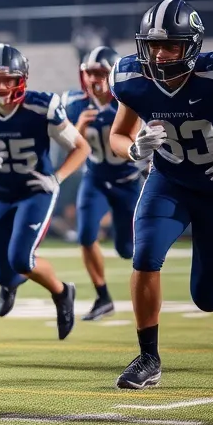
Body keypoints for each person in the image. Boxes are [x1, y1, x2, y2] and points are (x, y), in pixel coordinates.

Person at [108, 0, 213, 389]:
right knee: (145, 257)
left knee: (205, 296)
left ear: (192, 46)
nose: (160, 53)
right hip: (167, 182)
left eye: (172, 45)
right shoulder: (131, 78)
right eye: (153, 45)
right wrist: (134, 149)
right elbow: (117, 136)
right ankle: (148, 357)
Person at [0, 43, 88, 339]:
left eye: (9, 79)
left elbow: (81, 147)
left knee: (21, 259)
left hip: (35, 190)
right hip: (1, 194)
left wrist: (57, 178)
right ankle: (12, 285)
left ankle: (62, 292)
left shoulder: (42, 106)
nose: (2, 86)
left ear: (22, 79)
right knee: (4, 274)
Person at [60, 46, 142, 321]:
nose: (94, 79)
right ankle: (103, 296)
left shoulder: (128, 100)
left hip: (127, 180)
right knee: (85, 236)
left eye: (101, 73)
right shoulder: (74, 102)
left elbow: (139, 139)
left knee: (126, 249)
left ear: (113, 74)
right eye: (90, 73)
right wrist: (78, 128)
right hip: (94, 177)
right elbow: (66, 147)